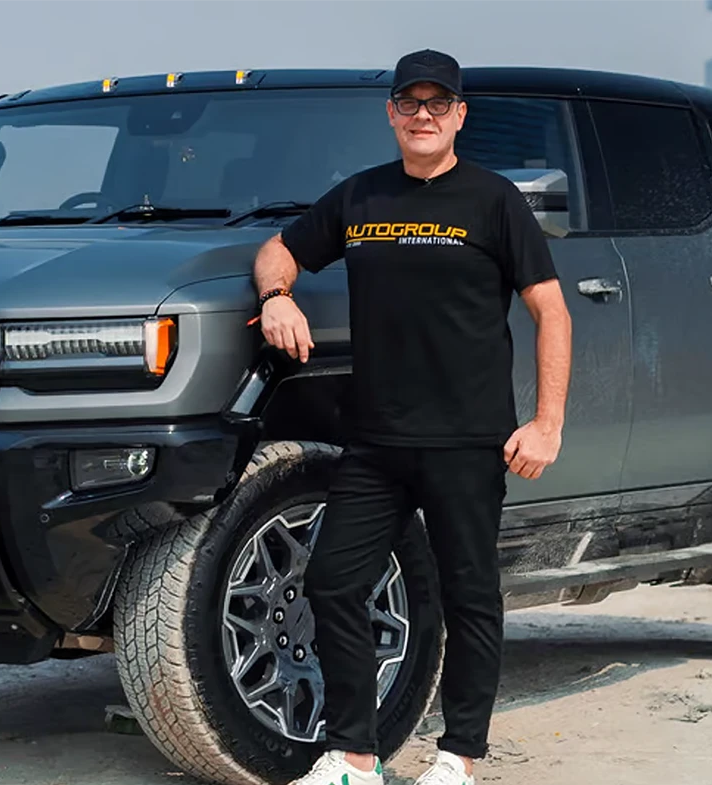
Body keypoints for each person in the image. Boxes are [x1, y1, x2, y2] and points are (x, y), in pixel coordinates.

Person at [250, 49, 573, 785]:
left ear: (460, 115)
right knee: (332, 582)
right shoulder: (361, 198)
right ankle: (356, 758)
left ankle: (458, 757)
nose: (423, 115)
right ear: (391, 113)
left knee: (469, 593)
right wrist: (278, 296)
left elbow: (550, 309)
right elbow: (279, 249)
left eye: (438, 103)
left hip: (467, 439)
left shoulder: (493, 200)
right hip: (376, 441)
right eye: (409, 102)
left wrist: (547, 421)